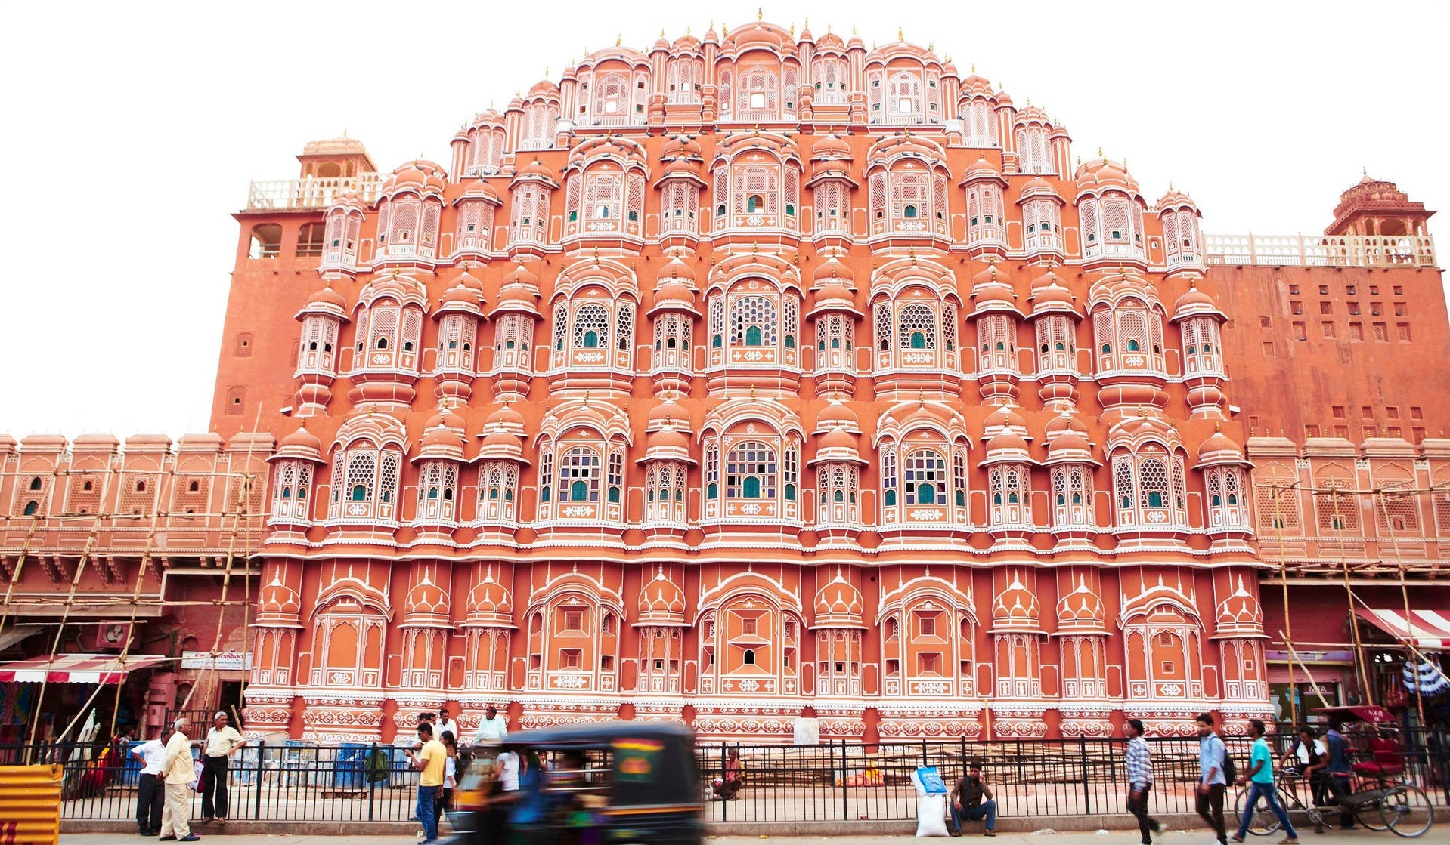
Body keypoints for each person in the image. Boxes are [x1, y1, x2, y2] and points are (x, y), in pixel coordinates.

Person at [1232, 718, 1299, 844]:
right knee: (1250, 806)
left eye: (1250, 726)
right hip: (1259, 781)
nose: (1248, 728)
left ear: (1256, 729)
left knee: (1274, 808)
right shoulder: (1258, 744)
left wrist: (1246, 778)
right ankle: (1241, 834)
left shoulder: (1260, 745)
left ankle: (1292, 834)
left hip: (1264, 782)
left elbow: (1259, 765)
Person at [158, 716, 200, 842]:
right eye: (188, 725)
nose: (191, 727)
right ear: (181, 727)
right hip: (177, 778)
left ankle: (166, 832)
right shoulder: (177, 739)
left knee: (170, 806)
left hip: (177, 777)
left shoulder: (181, 739)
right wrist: (164, 771)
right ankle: (182, 833)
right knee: (179, 806)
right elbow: (170, 757)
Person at [198, 712, 245, 824]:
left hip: (221, 759)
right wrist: (204, 747)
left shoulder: (230, 731)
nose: (224, 722)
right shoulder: (211, 731)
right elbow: (207, 741)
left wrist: (234, 748)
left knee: (221, 787)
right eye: (222, 720)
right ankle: (208, 814)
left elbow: (243, 741)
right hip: (209, 758)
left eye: (225, 720)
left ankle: (221, 814)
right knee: (208, 787)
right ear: (216, 721)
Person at [1124, 719, 1164, 845]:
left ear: (1135, 730)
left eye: (1128, 727)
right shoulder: (1133, 744)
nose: (1126, 729)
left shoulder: (1140, 745)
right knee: (1132, 807)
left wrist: (1138, 787)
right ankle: (1155, 827)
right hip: (1136, 780)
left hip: (1140, 781)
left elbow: (1142, 766)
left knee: (1140, 810)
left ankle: (1147, 840)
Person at [407, 721, 446, 844]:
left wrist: (411, 756)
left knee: (426, 812)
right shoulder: (441, 746)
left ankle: (431, 838)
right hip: (437, 782)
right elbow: (443, 768)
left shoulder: (427, 747)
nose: (419, 736)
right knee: (426, 812)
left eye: (420, 734)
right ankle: (432, 836)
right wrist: (441, 785)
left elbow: (421, 767)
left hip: (427, 783)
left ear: (425, 733)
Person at [1282, 725, 1327, 828]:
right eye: (1301, 737)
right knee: (1288, 774)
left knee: (1317, 797)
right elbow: (1288, 752)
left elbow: (1324, 763)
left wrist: (1311, 768)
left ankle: (1318, 823)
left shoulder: (1318, 745)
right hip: (1304, 765)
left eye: (1305, 738)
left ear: (1311, 738)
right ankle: (1296, 799)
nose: (1302, 740)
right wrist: (1279, 765)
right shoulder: (1299, 741)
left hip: (1317, 769)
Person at [1196, 713, 1228, 845]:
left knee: (1217, 811)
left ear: (1210, 725)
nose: (1200, 729)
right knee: (1201, 808)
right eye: (1199, 726)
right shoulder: (1204, 741)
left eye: (1203, 726)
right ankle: (1220, 832)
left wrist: (1207, 782)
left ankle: (1222, 839)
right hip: (1206, 780)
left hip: (1215, 782)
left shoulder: (1216, 742)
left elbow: (1215, 764)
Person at [133, 725, 167, 836]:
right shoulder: (152, 744)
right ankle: (143, 826)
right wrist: (142, 761)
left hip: (160, 777)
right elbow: (135, 750)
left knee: (158, 804)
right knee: (144, 802)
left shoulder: (170, 747)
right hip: (148, 776)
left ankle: (154, 827)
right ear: (164, 736)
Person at [949, 761, 997, 837]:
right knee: (952, 804)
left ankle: (989, 830)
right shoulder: (962, 781)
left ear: (979, 773)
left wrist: (981, 782)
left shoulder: (981, 783)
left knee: (992, 803)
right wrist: (955, 801)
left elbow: (989, 796)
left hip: (976, 811)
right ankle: (957, 830)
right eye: (971, 771)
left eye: (975, 771)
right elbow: (953, 793)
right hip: (963, 810)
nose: (973, 773)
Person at [1323, 718, 1356, 830]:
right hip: (1342, 771)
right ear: (1338, 727)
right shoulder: (1343, 740)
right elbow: (1349, 755)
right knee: (1345, 798)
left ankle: (1323, 812)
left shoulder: (1325, 738)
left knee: (1339, 797)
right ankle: (1347, 823)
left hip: (1331, 770)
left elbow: (1326, 756)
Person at [440, 730, 459, 824]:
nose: (440, 740)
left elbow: (449, 772)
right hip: (446, 785)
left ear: (446, 740)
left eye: (441, 739)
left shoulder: (448, 755)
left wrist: (453, 787)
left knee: (446, 811)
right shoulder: (451, 753)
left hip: (445, 786)